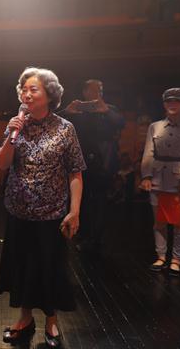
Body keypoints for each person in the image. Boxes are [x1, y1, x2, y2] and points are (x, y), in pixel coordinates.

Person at [0, 67, 85, 348]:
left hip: (51, 213)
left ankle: (52, 321)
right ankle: (25, 319)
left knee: (50, 268)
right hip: (18, 210)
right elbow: (2, 164)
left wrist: (74, 211)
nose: (27, 94)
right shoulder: (15, 125)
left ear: (49, 94)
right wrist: (13, 134)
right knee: (22, 267)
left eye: (33, 89)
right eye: (24, 89)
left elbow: (75, 172)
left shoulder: (65, 128)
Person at [140, 88, 180, 276]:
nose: (172, 104)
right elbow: (148, 152)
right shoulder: (155, 126)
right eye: (169, 101)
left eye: (177, 101)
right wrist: (146, 176)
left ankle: (176, 259)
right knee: (159, 222)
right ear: (164, 103)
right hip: (158, 178)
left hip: (179, 179)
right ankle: (161, 256)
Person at [61, 79, 124, 253]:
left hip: (103, 163)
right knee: (80, 200)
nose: (98, 93)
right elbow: (55, 122)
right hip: (81, 162)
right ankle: (81, 234)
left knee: (100, 202)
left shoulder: (110, 109)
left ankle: (95, 239)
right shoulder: (77, 110)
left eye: (100, 90)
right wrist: (67, 111)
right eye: (94, 90)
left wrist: (106, 111)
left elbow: (121, 123)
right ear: (85, 92)